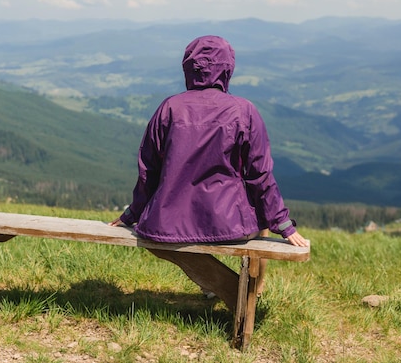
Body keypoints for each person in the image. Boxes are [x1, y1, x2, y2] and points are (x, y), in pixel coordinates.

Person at [109, 35, 309, 248]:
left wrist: (132, 214)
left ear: (188, 68)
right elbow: (259, 176)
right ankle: (251, 283)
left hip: (165, 227)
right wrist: (284, 224)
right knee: (259, 217)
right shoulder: (244, 111)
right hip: (230, 227)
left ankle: (229, 283)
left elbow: (148, 172)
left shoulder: (169, 108)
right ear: (227, 70)